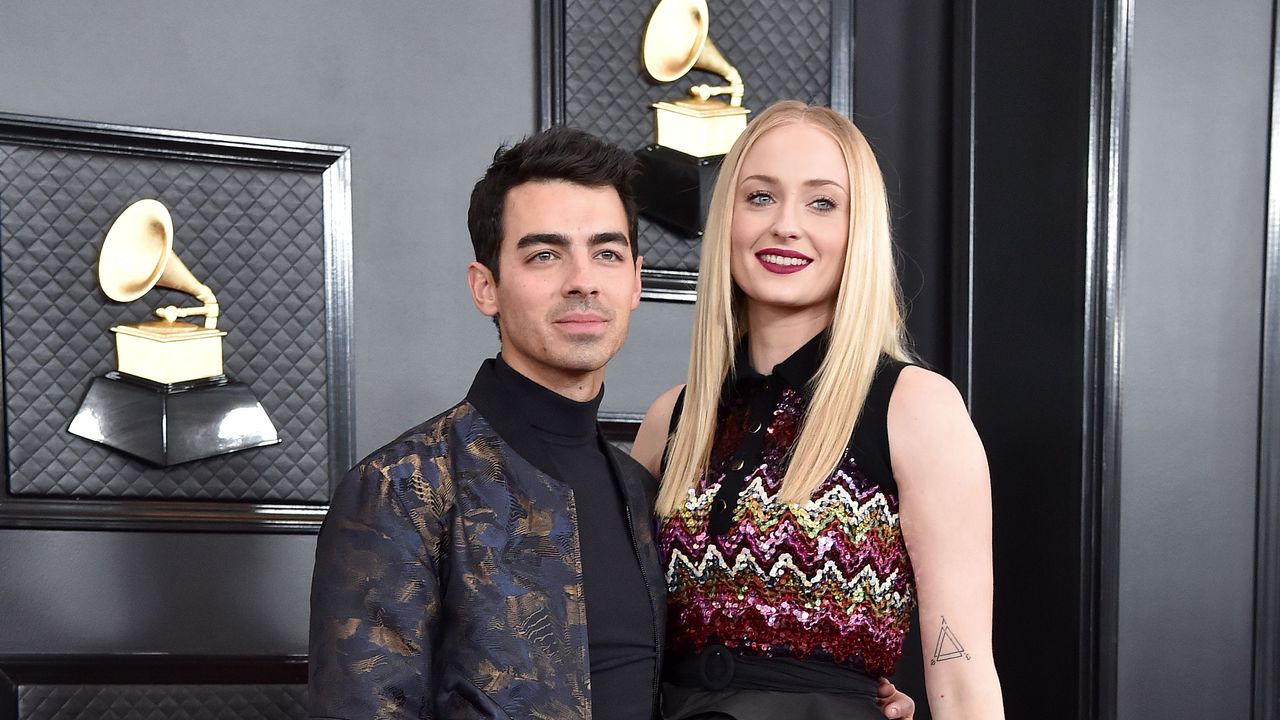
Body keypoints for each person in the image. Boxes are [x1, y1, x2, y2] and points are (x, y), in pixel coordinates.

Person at [308, 125, 918, 720]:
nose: (582, 282)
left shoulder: (645, 489)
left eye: (606, 253)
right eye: (545, 254)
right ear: (485, 287)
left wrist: (847, 695)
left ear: (635, 281)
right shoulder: (404, 487)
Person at [632, 101, 1004, 719]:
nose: (785, 225)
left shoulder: (914, 407)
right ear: (726, 217)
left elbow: (962, 672)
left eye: (822, 203)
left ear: (857, 232)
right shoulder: (670, 419)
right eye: (759, 197)